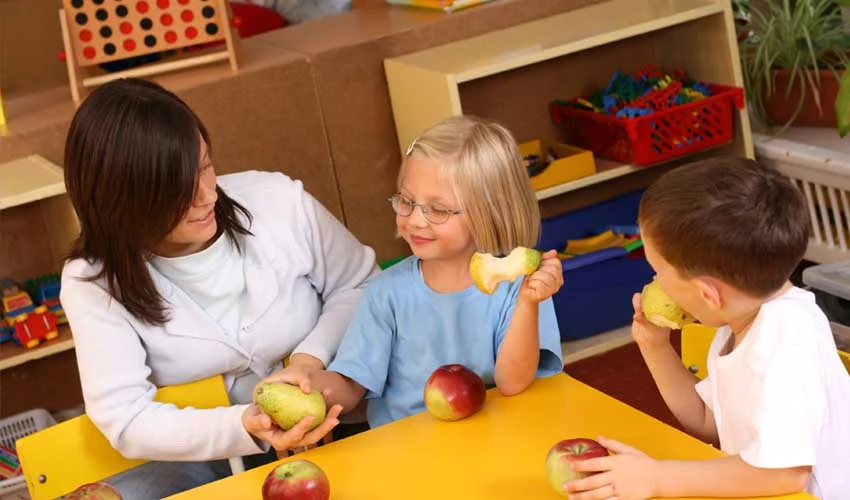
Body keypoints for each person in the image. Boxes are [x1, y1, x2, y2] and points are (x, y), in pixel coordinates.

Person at [60, 78, 378, 498]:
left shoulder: (277, 201)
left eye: (205, 166)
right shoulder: (92, 281)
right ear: (122, 201)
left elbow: (359, 283)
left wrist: (309, 359)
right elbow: (126, 418)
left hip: (344, 422)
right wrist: (244, 425)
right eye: (178, 188)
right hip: (206, 462)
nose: (208, 194)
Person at [564, 157, 850, 500]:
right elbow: (707, 420)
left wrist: (658, 477)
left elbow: (785, 475)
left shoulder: (785, 339)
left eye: (659, 272)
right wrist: (656, 349)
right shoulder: (737, 323)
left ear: (708, 294)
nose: (655, 282)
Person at [263, 115, 565, 430]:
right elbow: (352, 386)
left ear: (490, 212)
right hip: (408, 454)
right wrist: (308, 385)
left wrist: (529, 302)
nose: (416, 220)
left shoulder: (522, 289)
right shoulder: (386, 292)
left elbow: (513, 383)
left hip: (494, 444)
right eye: (406, 201)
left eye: (437, 209)